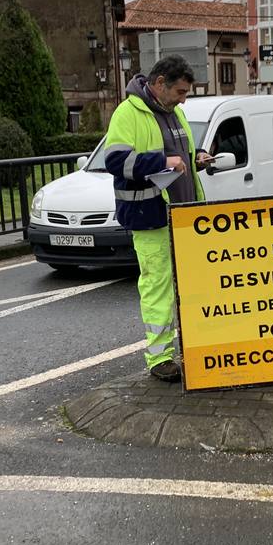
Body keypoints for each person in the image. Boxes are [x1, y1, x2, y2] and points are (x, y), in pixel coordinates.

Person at [105, 55, 210, 382]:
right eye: (180, 91)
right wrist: (161, 160)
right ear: (160, 83)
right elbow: (116, 161)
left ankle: (194, 346)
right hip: (150, 217)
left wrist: (197, 159)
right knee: (158, 287)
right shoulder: (128, 113)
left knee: (190, 285)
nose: (184, 98)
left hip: (183, 215)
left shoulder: (174, 113)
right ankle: (161, 358)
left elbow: (183, 159)